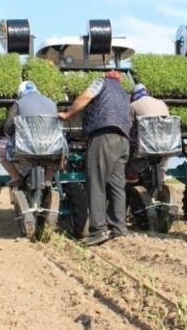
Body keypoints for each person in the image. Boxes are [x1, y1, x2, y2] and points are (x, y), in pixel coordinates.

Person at [58, 70, 130, 246]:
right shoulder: (124, 94)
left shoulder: (101, 82)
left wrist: (67, 115)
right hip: (123, 140)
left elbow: (86, 96)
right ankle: (119, 228)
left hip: (103, 136)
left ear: (107, 77)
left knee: (96, 184)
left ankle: (97, 231)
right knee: (117, 186)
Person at [0, 81, 59, 189]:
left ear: (21, 92)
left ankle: (15, 177)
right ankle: (48, 179)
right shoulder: (51, 102)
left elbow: (9, 129)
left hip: (25, 147)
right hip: (51, 145)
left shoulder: (19, 103)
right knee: (58, 152)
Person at [126, 83, 170, 183]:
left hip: (147, 145)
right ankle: (162, 170)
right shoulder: (161, 103)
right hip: (167, 144)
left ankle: (132, 173)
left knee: (125, 141)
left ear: (134, 95)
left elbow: (129, 129)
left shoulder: (133, 105)